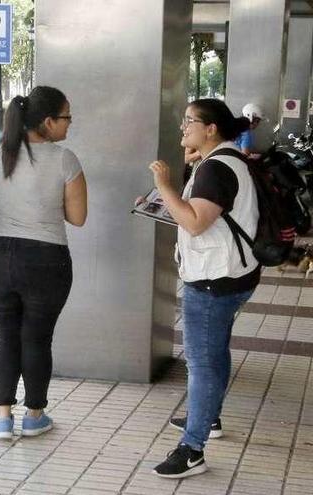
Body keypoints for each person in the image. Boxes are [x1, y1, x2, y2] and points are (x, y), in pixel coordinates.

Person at [149, 99, 258, 478]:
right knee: (214, 353)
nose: (184, 129)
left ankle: (192, 449)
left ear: (211, 128)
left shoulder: (216, 169)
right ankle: (208, 418)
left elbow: (195, 223)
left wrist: (164, 186)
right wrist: (166, 200)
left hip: (213, 280)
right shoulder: (223, 161)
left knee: (202, 363)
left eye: (190, 122)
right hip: (231, 274)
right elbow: (200, 215)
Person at [0, 87, 87, 440]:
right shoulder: (64, 159)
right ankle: (34, 416)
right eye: (66, 117)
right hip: (46, 260)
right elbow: (77, 217)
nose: (70, 124)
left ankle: (1, 419)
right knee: (37, 339)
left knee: (6, 335)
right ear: (47, 122)